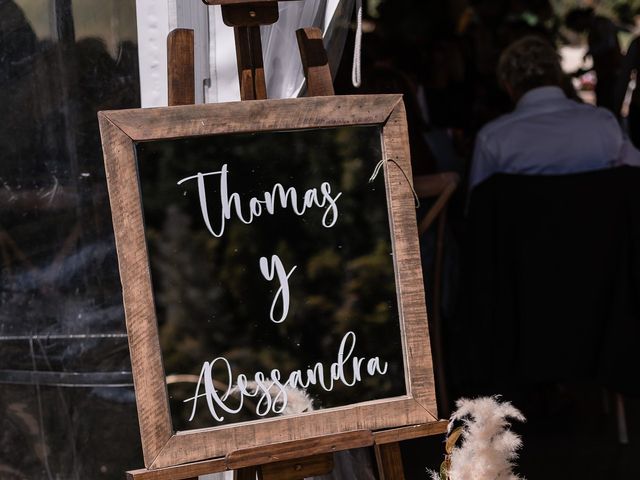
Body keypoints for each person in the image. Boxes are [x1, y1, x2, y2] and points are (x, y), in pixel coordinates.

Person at [469, 35, 640, 190]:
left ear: (508, 86)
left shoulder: (493, 139)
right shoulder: (603, 124)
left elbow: (478, 211)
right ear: (559, 77)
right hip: (600, 223)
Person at [565, 7, 622, 112]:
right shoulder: (594, 29)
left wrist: (591, 52)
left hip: (611, 77)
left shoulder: (601, 24)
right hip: (605, 76)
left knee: (609, 107)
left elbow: (609, 45)